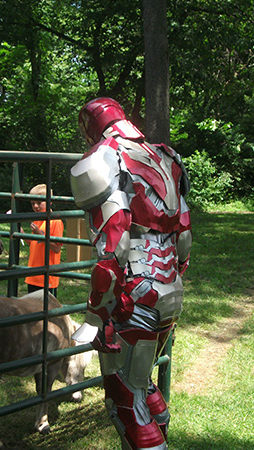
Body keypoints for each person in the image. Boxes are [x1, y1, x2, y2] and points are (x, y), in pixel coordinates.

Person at [70, 97, 192, 450]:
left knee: (124, 399)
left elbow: (114, 244)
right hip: (170, 288)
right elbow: (183, 235)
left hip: (133, 294)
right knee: (142, 384)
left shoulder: (101, 159)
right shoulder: (166, 156)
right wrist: (172, 276)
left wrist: (96, 315)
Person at [24, 183, 64, 297]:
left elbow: (56, 248)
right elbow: (33, 242)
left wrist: (40, 235)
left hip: (47, 278)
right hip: (33, 276)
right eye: (32, 203)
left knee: (47, 311)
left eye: (39, 202)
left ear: (50, 201)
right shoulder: (37, 219)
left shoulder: (55, 221)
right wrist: (21, 233)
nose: (36, 206)